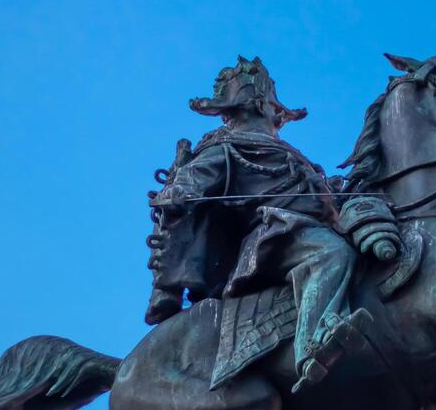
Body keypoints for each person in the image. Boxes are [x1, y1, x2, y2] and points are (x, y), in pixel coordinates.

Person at [146, 57, 369, 391]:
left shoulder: (285, 151)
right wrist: (180, 189)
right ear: (258, 105)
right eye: (271, 104)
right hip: (276, 236)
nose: (278, 113)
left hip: (315, 226)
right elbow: (193, 179)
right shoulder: (224, 148)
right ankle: (313, 344)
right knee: (330, 253)